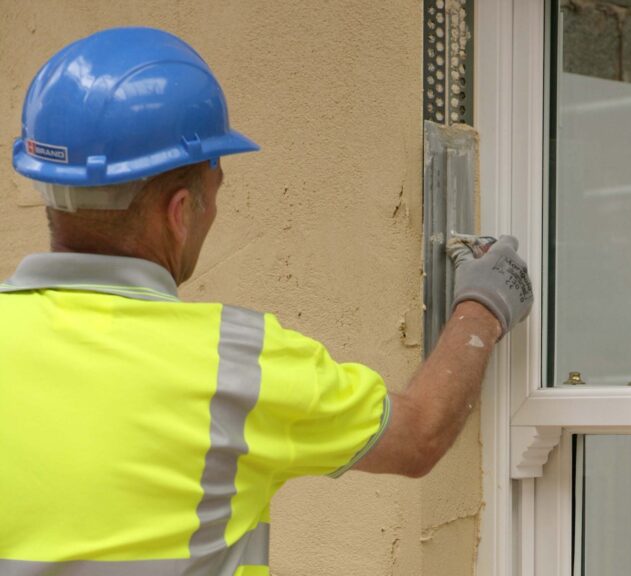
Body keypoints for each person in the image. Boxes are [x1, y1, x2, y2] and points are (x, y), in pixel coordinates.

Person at [0, 27, 533, 576]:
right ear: (180, 211)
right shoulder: (235, 362)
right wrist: (484, 304)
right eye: (215, 195)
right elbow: (420, 434)